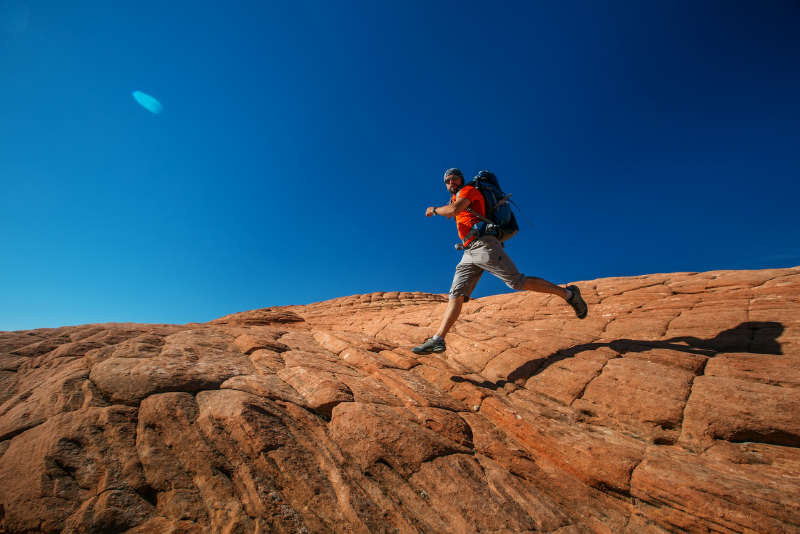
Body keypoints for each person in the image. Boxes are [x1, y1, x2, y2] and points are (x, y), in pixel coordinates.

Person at [412, 168, 588, 354]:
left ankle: (569, 294)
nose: (451, 182)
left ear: (461, 179)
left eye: (454, 179)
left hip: (483, 244)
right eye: (447, 181)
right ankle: (438, 340)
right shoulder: (456, 197)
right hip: (468, 250)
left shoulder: (468, 191)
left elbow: (455, 210)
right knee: (456, 294)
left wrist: (434, 210)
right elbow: (455, 209)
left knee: (516, 282)